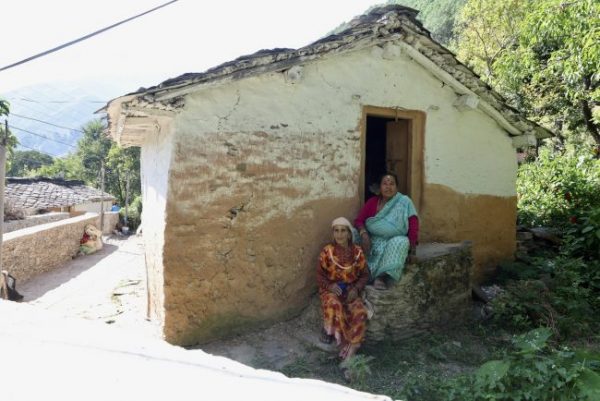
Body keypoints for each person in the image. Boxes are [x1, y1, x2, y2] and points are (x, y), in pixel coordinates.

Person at [317, 217, 369, 363]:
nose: (339, 234)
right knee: (335, 305)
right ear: (333, 233)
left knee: (360, 312)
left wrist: (357, 289)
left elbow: (365, 275)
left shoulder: (357, 252)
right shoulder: (327, 252)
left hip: (351, 291)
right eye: (336, 231)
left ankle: (350, 353)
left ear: (349, 233)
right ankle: (335, 336)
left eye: (343, 231)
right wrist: (330, 286)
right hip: (331, 290)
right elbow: (320, 276)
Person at [355, 173, 419, 290]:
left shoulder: (404, 202)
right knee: (352, 233)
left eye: (392, 184)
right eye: (385, 184)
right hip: (372, 240)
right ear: (380, 188)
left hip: (393, 241)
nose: (388, 187)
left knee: (402, 241)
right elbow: (359, 221)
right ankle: (358, 271)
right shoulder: (372, 202)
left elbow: (413, 225)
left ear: (397, 188)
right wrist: (364, 235)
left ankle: (382, 277)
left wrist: (413, 251)